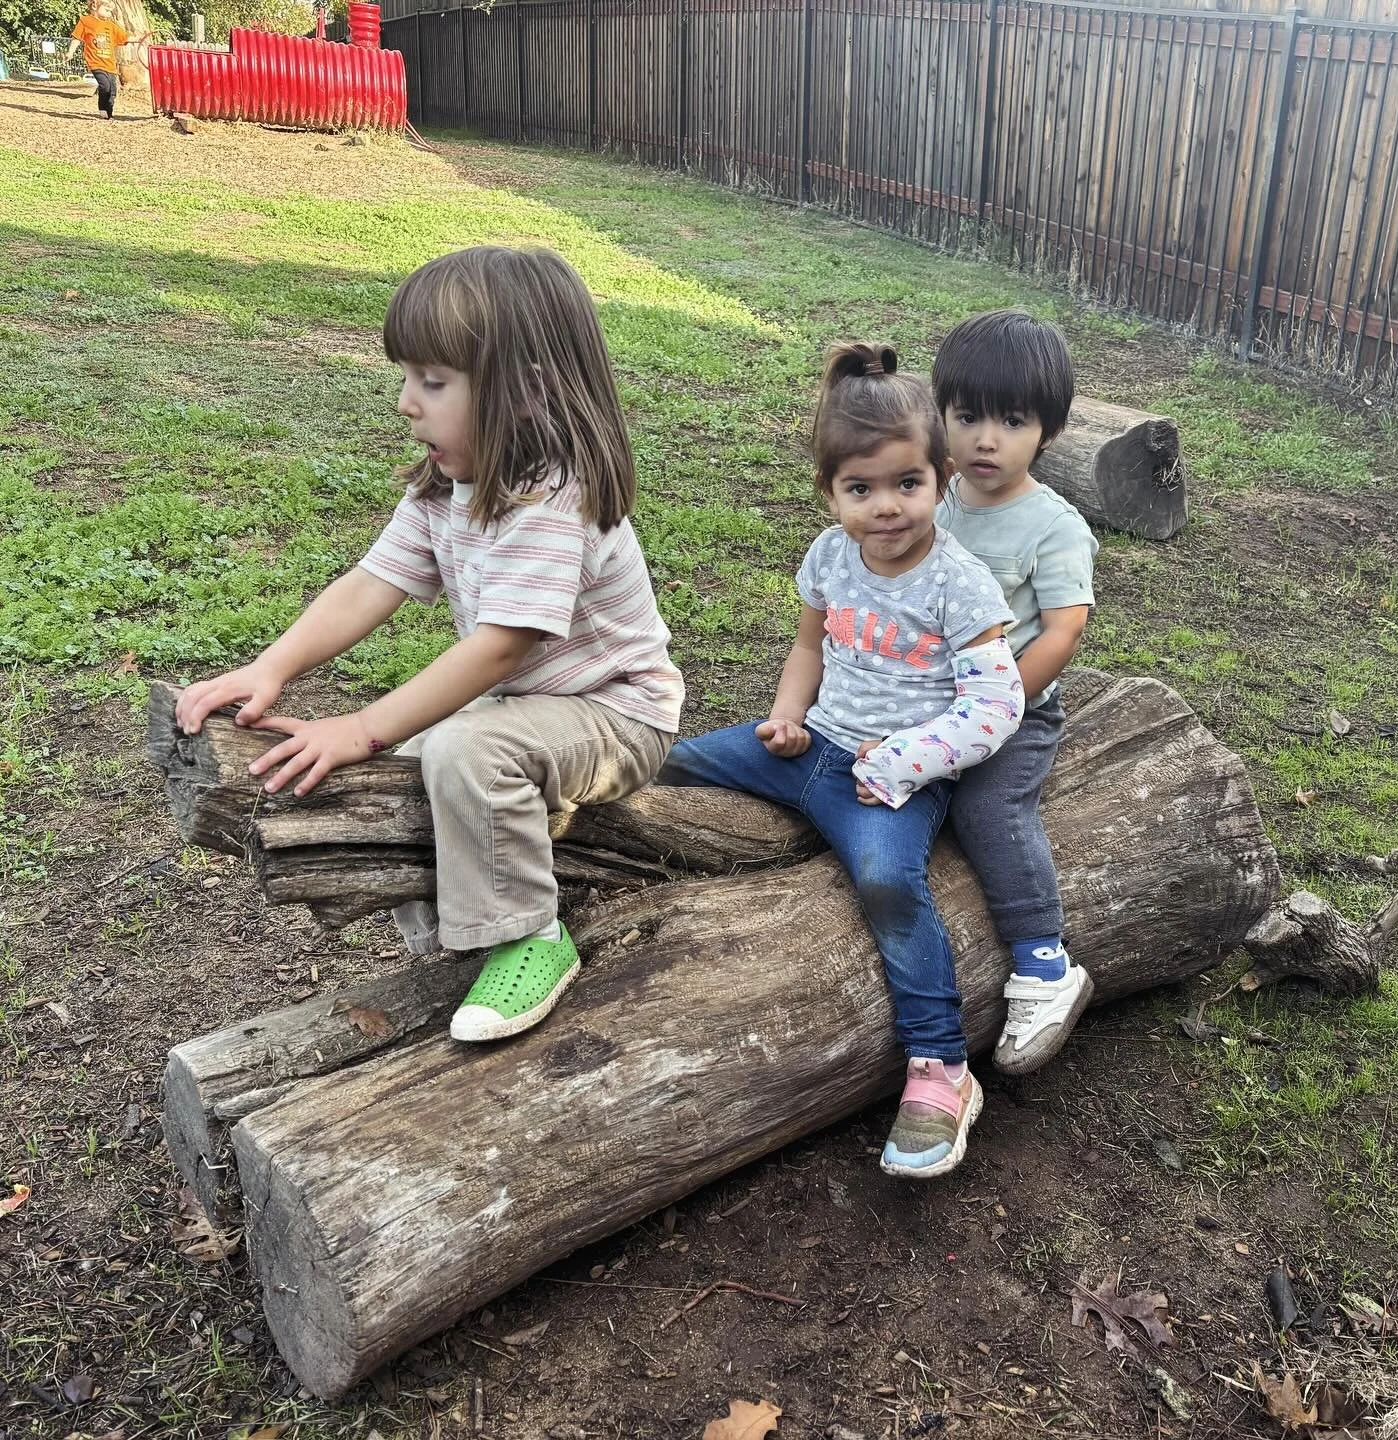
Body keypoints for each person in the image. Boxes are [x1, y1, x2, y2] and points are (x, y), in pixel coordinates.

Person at [176, 246, 684, 1044]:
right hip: (523, 707)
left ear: (530, 390)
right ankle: (452, 940)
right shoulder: (450, 483)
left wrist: (359, 724)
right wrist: (270, 666)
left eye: (434, 381)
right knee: (402, 760)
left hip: (616, 716)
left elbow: (497, 650)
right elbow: (369, 584)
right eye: (408, 376)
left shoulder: (554, 500)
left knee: (461, 751)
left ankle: (528, 937)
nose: (407, 403)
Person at [658, 342, 1023, 1180]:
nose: (887, 507)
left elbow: (998, 707)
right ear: (829, 492)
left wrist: (904, 762)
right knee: (668, 766)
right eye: (860, 489)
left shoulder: (958, 586)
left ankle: (940, 1070)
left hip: (891, 782)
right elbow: (807, 648)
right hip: (808, 749)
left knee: (890, 886)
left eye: (907, 483)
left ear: (942, 478)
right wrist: (785, 720)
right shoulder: (828, 557)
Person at [932, 309, 1100, 1076]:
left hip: (1015, 710)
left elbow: (1063, 630)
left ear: (1050, 432)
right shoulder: (936, 498)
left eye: (1012, 420)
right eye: (966, 418)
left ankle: (1043, 962)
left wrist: (994, 712)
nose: (984, 440)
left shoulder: (1052, 526)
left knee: (987, 806)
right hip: (925, 699)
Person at [67, 0, 136, 120]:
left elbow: (125, 37)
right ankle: (102, 109)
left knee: (112, 90)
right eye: (107, 10)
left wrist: (140, 39)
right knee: (104, 85)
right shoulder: (85, 21)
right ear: (94, 6)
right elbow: (77, 38)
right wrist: (70, 52)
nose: (109, 14)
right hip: (95, 62)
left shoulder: (111, 25)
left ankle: (109, 113)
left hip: (110, 65)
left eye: (110, 11)